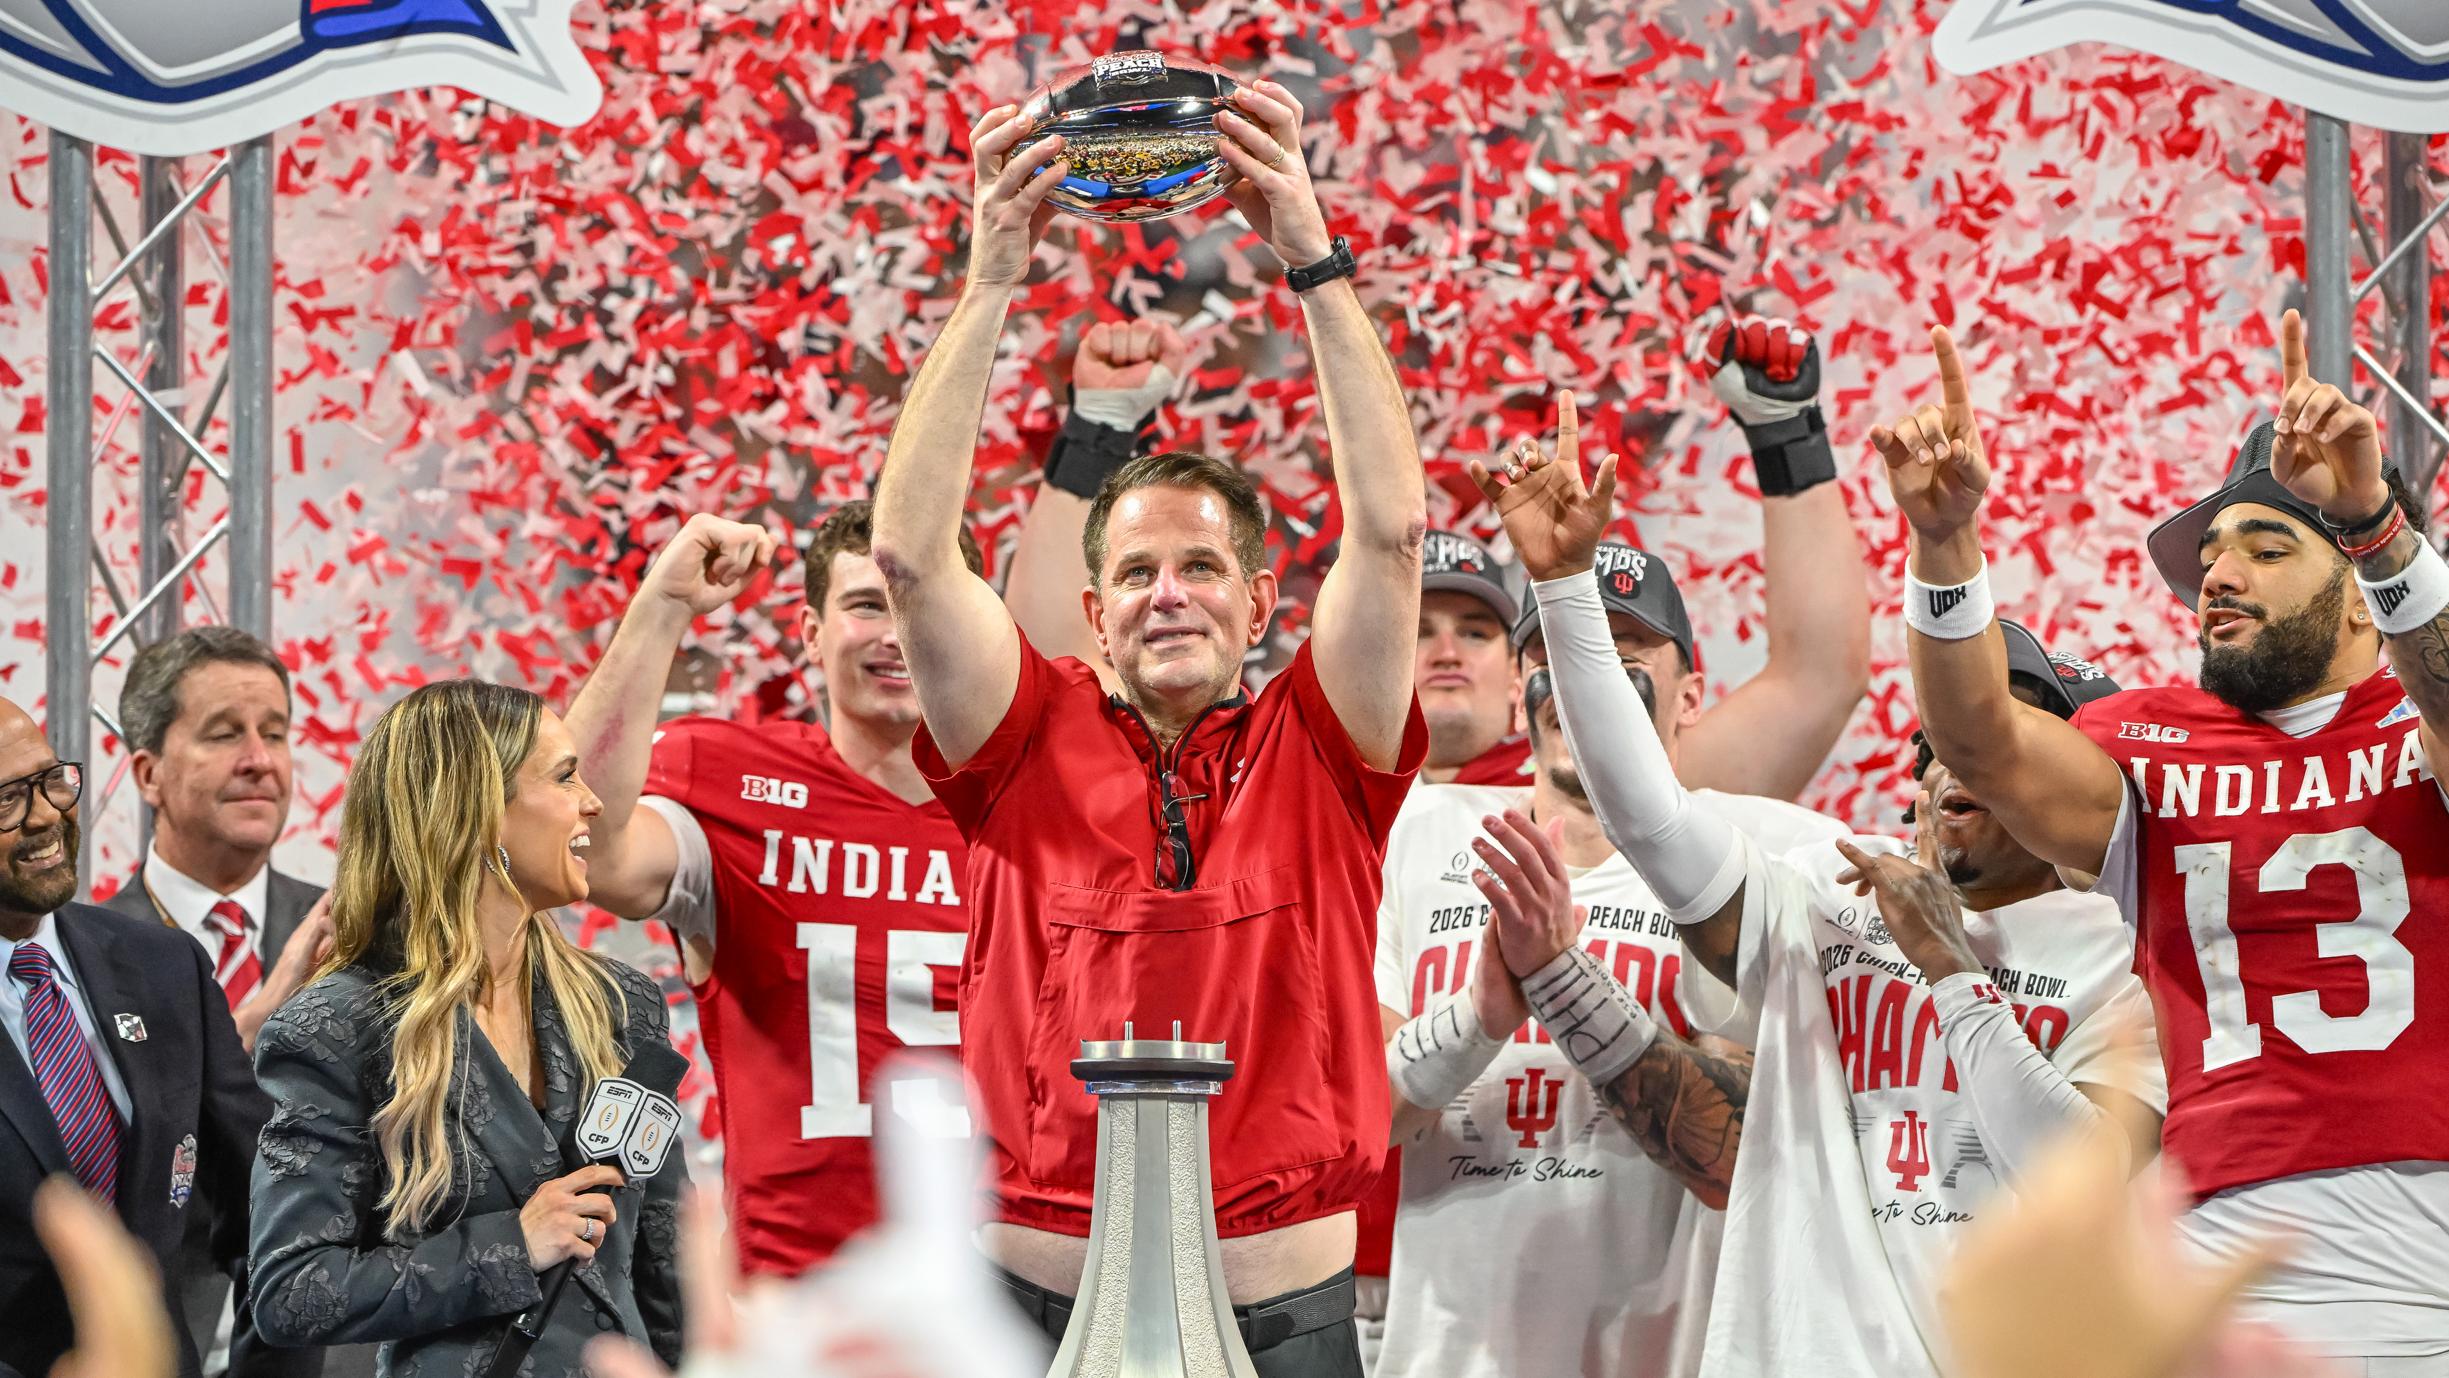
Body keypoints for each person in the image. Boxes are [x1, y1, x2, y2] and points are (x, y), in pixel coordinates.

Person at [870, 82, 1427, 1376]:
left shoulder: (1328, 745)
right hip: (1029, 1299)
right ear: (1094, 613)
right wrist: (988, 285)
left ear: (1258, 598)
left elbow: (1392, 533)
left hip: (1278, 1302)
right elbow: (906, 553)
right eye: (1134, 574)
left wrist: (1310, 251)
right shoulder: (1020, 740)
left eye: (1198, 565)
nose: (1167, 591)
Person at [1467, 396, 2165, 1376]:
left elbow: (2082, 1179)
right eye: (1937, 748)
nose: (1954, 770)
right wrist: (1564, 590)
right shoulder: (1823, 890)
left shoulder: (2126, 955)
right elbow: (1647, 814)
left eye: (2001, 751)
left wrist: (1954, 976)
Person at [1880, 308, 2449, 1366]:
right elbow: (1978, 743)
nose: (2218, 578)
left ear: (2368, 603)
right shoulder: (2148, 745)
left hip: (2426, 1270)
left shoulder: (2419, 723)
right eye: (2209, 561)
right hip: (2211, 1259)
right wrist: (1945, 546)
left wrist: (2372, 518)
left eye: (2265, 547)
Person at [563, 321, 1183, 1279]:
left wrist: (1098, 430)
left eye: (912, 607)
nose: (892, 633)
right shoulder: (733, 781)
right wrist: (659, 610)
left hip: (1014, 1296)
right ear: (810, 633)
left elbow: (1065, 650)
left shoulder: (1025, 794)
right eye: (862, 605)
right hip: (805, 1301)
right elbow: (588, 851)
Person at [1372, 590, 1847, 1376]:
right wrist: (1479, 1018)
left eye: (1619, 662)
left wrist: (1561, 984)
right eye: (1553, 659)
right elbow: (1363, 1119)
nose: (1579, 684)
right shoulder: (1418, 836)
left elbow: (1727, 1158)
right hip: (1442, 1355)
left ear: (1689, 698)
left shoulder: (1760, 854)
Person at [247, 681, 685, 1378]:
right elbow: (292, 1291)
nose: (593, 803)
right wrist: (512, 1243)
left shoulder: (620, 1004)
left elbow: (666, 1256)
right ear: (479, 811)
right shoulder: (338, 1024)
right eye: (565, 776)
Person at [1412, 314, 1870, 796]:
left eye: (1474, 632)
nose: (1447, 655)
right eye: (1418, 635)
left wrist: (1786, 435)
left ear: (1518, 676)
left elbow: (1817, 680)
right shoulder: (1330, 806)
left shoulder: (1606, 786)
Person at [0, 694, 271, 1378]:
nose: (44, 816)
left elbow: (267, 1212)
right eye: (5, 800)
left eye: (51, 780)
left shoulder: (165, 965)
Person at [103, 626, 343, 1378]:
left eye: (275, 733)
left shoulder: (363, 934)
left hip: (339, 1348)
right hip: (152, 1344)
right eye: (223, 734)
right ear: (148, 773)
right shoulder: (77, 960)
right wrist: (245, 1032)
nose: (259, 760)